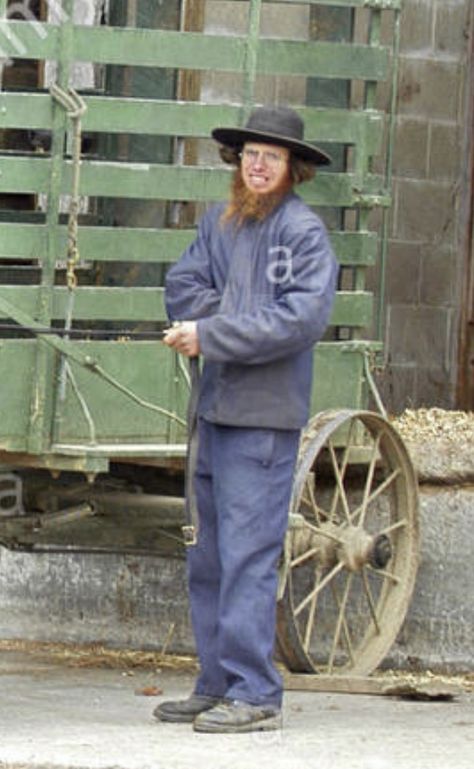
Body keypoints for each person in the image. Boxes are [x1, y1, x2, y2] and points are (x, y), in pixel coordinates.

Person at [156, 105, 338, 733]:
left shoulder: (303, 234)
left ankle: (257, 691)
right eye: (251, 154)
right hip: (214, 411)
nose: (258, 165)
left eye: (273, 156)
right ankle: (217, 682)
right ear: (238, 162)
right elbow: (182, 284)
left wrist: (214, 330)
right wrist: (221, 321)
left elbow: (298, 320)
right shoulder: (220, 224)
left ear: (294, 169)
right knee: (206, 554)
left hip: (262, 419)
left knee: (247, 555)